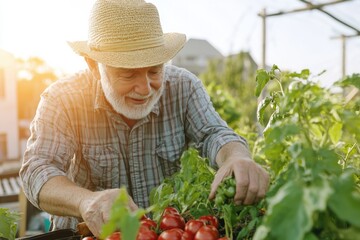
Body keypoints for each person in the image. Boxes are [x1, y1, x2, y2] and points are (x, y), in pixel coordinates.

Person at [19, 0, 269, 237]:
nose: (146, 88)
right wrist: (86, 201)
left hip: (164, 235)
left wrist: (237, 156)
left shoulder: (183, 87)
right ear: (94, 66)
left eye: (154, 70)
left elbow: (214, 133)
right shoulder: (63, 99)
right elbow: (37, 169)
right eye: (128, 75)